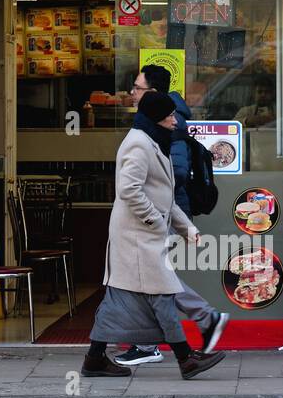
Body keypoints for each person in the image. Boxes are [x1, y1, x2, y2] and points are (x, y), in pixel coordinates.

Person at [81, 90, 226, 380]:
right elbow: (129, 190)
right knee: (163, 293)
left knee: (119, 301)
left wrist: (187, 229)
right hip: (136, 236)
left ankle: (94, 358)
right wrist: (155, 222)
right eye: (169, 116)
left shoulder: (154, 142)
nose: (175, 120)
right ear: (156, 119)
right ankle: (186, 359)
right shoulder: (138, 145)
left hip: (142, 236)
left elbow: (165, 198)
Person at [114, 66, 229, 366]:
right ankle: (182, 332)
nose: (132, 93)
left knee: (155, 278)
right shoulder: (155, 119)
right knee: (153, 278)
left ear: (151, 92)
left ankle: (196, 324)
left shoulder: (168, 120)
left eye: (137, 88)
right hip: (159, 212)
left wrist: (160, 216)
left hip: (159, 213)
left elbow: (173, 173)